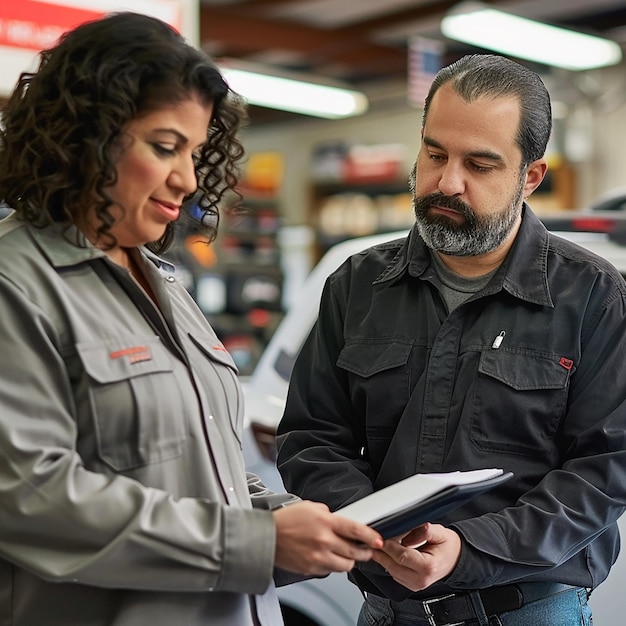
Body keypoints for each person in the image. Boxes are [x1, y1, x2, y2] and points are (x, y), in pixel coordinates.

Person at [0, 11, 384, 626]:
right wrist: (254, 544)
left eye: (196, 152)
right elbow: (29, 499)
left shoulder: (162, 282)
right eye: (163, 146)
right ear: (84, 137)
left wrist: (299, 525)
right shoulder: (15, 286)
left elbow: (206, 472)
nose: (186, 180)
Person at [276, 53, 626, 626]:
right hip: (386, 609)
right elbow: (312, 437)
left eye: (480, 164)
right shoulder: (357, 286)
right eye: (435, 154)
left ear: (529, 176)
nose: (447, 182)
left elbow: (607, 467)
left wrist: (472, 549)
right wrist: (370, 525)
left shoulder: (592, 295)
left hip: (529, 611)